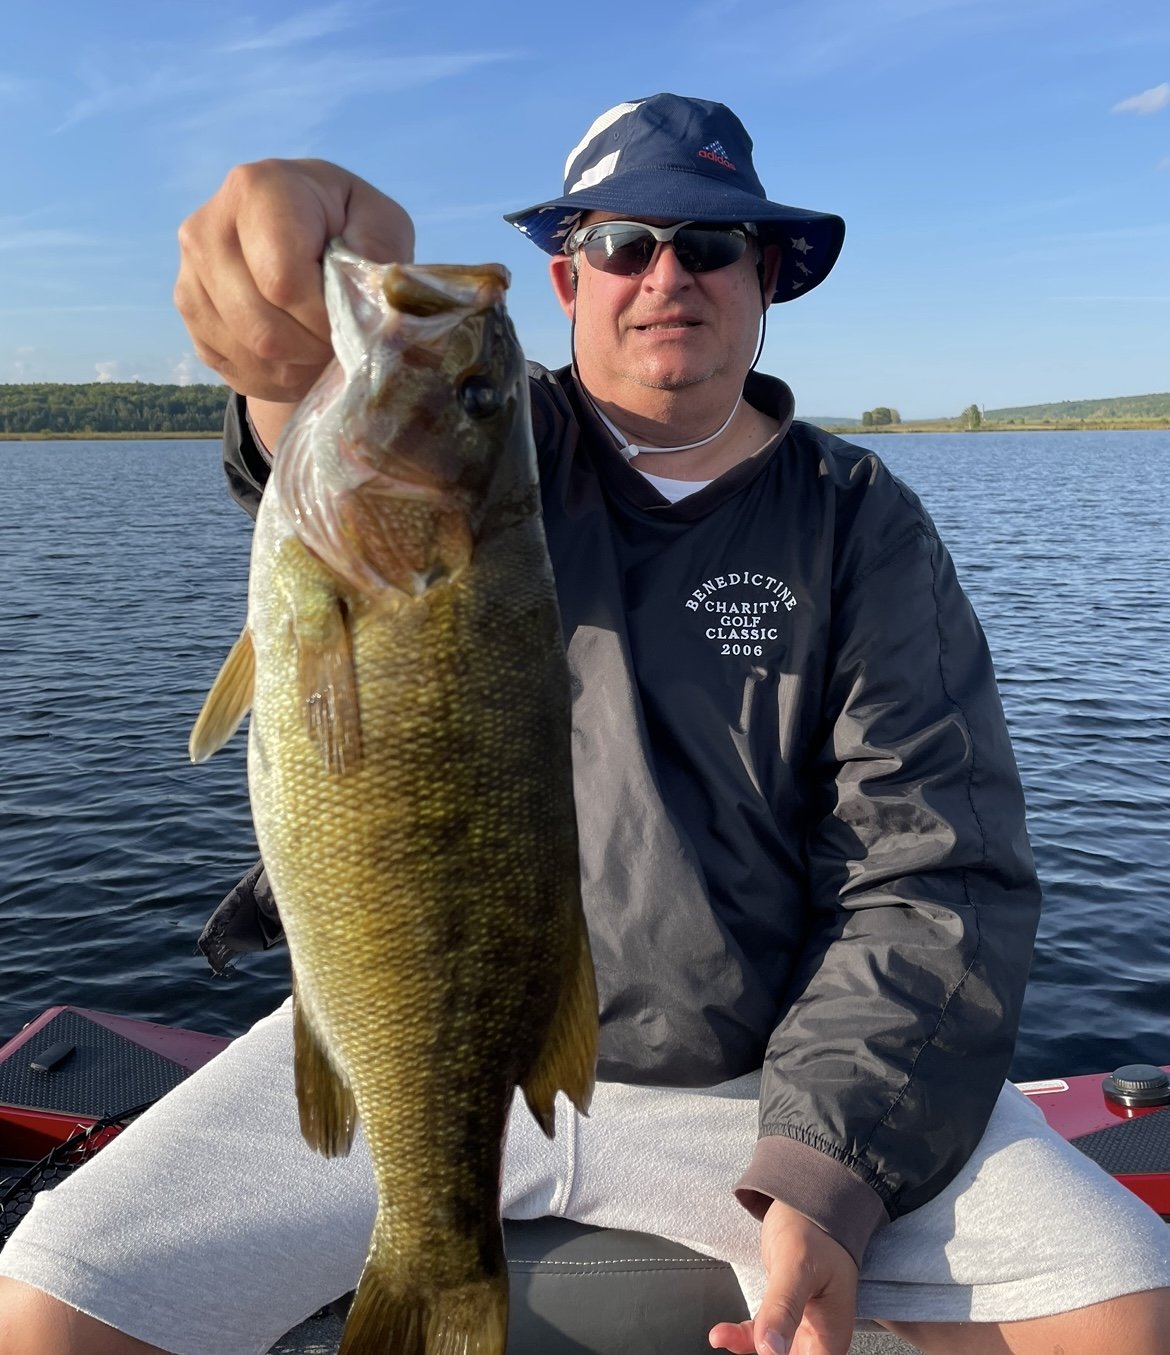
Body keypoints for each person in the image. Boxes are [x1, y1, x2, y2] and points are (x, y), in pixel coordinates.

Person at [1, 92, 1168, 1355]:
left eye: (709, 244)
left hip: (762, 1079)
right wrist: (284, 303)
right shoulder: (487, 448)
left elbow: (931, 867)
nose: (666, 274)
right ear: (568, 279)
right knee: (52, 1297)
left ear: (766, 277)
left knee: (1125, 1305)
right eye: (623, 244)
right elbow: (312, 429)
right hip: (412, 1040)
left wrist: (830, 1167)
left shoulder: (857, 518)